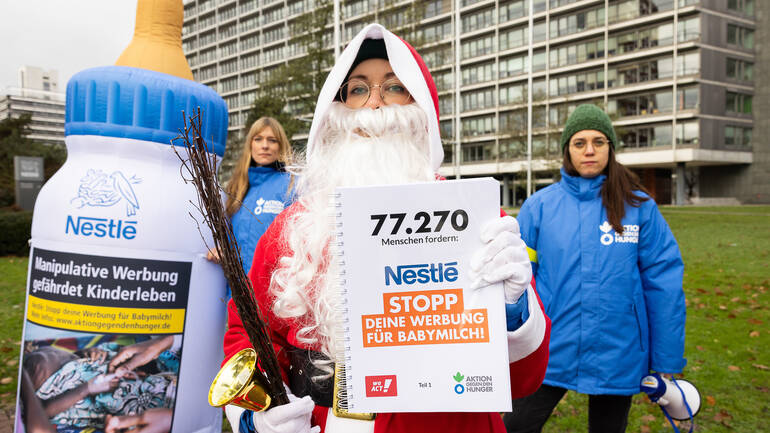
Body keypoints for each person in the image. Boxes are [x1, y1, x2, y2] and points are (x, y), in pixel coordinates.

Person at [222, 23, 551, 433]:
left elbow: (523, 380)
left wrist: (513, 308)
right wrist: (260, 413)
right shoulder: (295, 226)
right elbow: (247, 331)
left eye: (394, 88)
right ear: (335, 109)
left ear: (422, 111)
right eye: (358, 89)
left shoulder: (478, 222)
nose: (375, 106)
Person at [504, 104, 686, 433]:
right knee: (515, 427)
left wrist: (665, 361)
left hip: (618, 351)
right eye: (579, 142)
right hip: (549, 348)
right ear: (567, 150)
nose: (589, 150)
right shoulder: (539, 207)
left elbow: (664, 286)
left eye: (599, 142)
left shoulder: (639, 207)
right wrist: (511, 337)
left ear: (610, 148)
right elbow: (516, 279)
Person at [207, 116, 294, 277]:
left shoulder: (293, 185)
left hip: (274, 292)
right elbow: (226, 240)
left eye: (272, 140)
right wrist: (220, 250)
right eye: (258, 139)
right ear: (250, 145)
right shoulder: (236, 189)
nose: (265, 146)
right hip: (236, 294)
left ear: (280, 146)